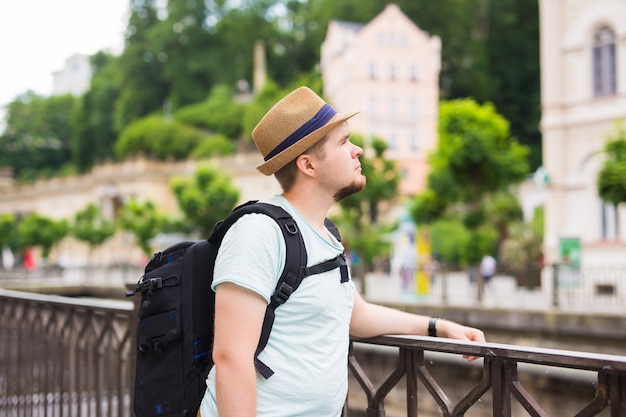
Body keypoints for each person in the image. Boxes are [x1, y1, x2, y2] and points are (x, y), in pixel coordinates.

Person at [199, 86, 485, 417]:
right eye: (343, 142)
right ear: (307, 164)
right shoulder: (259, 233)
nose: (358, 150)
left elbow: (354, 314)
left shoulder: (324, 233)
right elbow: (231, 358)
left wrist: (437, 327)